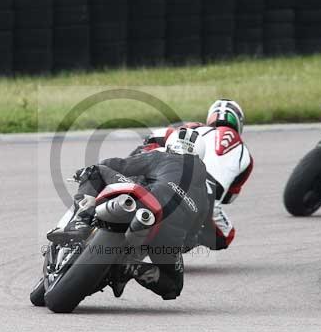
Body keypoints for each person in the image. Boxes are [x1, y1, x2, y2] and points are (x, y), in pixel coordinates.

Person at [48, 128, 210, 300]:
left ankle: (80, 221)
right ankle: (130, 267)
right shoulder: (204, 194)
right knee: (173, 285)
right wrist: (175, 246)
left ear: (171, 145)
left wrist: (83, 172)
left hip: (146, 203)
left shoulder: (163, 156)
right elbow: (192, 237)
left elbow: (120, 165)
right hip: (169, 236)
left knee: (94, 170)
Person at [134, 99, 253, 250]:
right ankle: (181, 241)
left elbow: (156, 137)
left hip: (167, 171)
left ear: (211, 117)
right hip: (203, 197)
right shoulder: (246, 156)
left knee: (132, 165)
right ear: (239, 123)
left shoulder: (195, 127)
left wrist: (143, 151)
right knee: (226, 235)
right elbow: (228, 197)